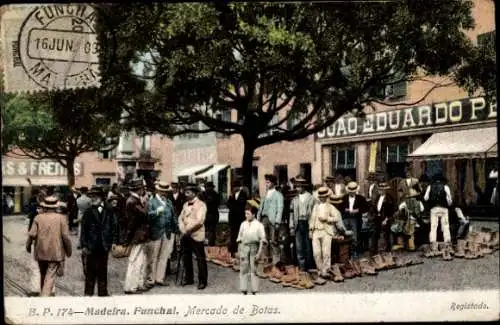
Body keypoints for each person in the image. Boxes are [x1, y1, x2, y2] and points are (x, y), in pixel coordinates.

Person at [26, 195, 72, 297]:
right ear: (56, 207)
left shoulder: (38, 217)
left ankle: (43, 293)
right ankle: (44, 298)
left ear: (45, 206)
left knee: (43, 274)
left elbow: (32, 234)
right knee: (50, 276)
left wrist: (28, 246)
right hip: (55, 253)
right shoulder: (62, 218)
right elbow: (66, 237)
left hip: (40, 251)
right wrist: (69, 251)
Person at [81, 186, 118, 296]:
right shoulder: (88, 212)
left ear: (101, 197)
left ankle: (103, 293)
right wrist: (84, 245)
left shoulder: (109, 210)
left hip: (104, 244)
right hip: (91, 245)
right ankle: (88, 293)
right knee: (90, 271)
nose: (93, 198)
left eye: (95, 196)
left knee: (103, 270)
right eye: (91, 196)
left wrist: (114, 241)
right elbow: (84, 230)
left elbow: (114, 226)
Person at [309, 187, 349, 280]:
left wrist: (327, 219)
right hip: (316, 231)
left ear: (326, 197)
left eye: (324, 197)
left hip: (326, 231)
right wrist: (310, 230)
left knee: (326, 252)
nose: (322, 198)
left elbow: (336, 218)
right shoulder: (315, 207)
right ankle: (319, 270)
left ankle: (325, 271)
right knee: (316, 253)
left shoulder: (330, 207)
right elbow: (312, 219)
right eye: (320, 197)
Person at [146, 182, 177, 287]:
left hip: (167, 232)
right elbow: (147, 217)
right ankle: (151, 279)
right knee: (153, 257)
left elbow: (173, 217)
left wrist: (177, 230)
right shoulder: (152, 202)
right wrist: (156, 212)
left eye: (166, 192)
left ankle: (160, 278)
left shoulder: (169, 202)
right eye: (162, 191)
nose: (164, 193)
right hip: (155, 233)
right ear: (157, 191)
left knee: (164, 256)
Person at [178, 183, 208, 290]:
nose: (186, 194)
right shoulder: (185, 205)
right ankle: (189, 278)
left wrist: (188, 230)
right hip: (186, 235)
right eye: (185, 192)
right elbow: (180, 218)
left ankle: (202, 281)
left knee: (200, 258)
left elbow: (200, 221)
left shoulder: (201, 205)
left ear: (194, 193)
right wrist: (182, 229)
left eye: (188, 192)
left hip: (196, 235)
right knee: (187, 257)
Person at [123, 179, 150, 294]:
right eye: (143, 188)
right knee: (135, 261)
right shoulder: (133, 201)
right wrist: (147, 204)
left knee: (140, 260)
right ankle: (131, 286)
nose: (144, 190)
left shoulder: (134, 200)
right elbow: (141, 216)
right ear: (139, 189)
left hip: (139, 235)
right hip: (137, 235)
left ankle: (136, 284)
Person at [256, 174, 284, 277]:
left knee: (274, 241)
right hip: (264, 219)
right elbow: (261, 207)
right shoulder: (265, 194)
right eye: (266, 182)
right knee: (264, 241)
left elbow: (280, 209)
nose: (266, 184)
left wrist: (277, 222)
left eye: (268, 182)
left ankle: (276, 263)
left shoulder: (278, 195)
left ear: (273, 183)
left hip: (272, 221)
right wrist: (258, 218)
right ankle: (266, 262)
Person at [237, 199, 267, 295]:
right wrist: (240, 251)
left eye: (248, 214)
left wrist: (259, 253)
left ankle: (255, 290)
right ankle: (243, 289)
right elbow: (239, 238)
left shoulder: (259, 225)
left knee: (254, 270)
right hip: (244, 248)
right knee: (243, 269)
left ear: (254, 214)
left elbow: (262, 239)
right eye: (245, 214)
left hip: (254, 248)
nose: (246, 216)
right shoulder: (243, 224)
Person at [423, 173, 453, 259]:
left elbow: (425, 198)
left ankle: (433, 244)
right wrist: (449, 204)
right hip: (444, 208)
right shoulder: (445, 187)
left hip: (434, 208)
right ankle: (447, 243)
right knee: (445, 226)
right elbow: (449, 199)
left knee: (433, 226)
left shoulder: (430, 186)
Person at [289, 177, 315, 273]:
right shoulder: (294, 199)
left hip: (308, 223)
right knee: (299, 247)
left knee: (308, 246)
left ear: (304, 187)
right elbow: (291, 214)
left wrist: (313, 227)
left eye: (299, 186)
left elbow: (314, 213)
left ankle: (309, 267)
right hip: (298, 224)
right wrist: (291, 227)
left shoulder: (311, 198)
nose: (297, 188)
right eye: (296, 186)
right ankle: (302, 267)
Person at [339, 182, 369, 259]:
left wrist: (358, 210)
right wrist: (345, 209)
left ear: (356, 191)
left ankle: (355, 253)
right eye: (350, 191)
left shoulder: (361, 198)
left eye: (353, 191)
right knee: (346, 235)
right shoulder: (344, 198)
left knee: (355, 237)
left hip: (356, 219)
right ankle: (347, 254)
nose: (352, 193)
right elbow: (339, 207)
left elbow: (366, 208)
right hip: (346, 218)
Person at [371, 182, 396, 254]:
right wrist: (374, 214)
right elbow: (374, 207)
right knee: (375, 234)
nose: (380, 191)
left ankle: (388, 250)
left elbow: (392, 210)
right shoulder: (378, 197)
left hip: (385, 218)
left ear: (385, 190)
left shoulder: (389, 198)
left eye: (382, 190)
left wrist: (386, 219)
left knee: (387, 234)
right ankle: (374, 251)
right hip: (377, 218)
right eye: (380, 189)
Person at [227, 180, 248, 257]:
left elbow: (241, 205)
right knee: (233, 235)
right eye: (233, 187)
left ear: (239, 187)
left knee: (240, 234)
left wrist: (233, 206)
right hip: (232, 218)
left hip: (240, 218)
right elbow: (228, 204)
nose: (233, 188)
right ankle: (233, 251)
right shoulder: (232, 195)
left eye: (235, 187)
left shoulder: (243, 194)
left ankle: (240, 251)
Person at [199, 182, 221, 246]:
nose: (208, 189)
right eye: (207, 187)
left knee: (211, 231)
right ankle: (207, 244)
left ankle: (210, 244)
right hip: (208, 215)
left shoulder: (215, 195)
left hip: (212, 215)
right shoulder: (203, 194)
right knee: (207, 231)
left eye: (209, 187)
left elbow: (216, 204)